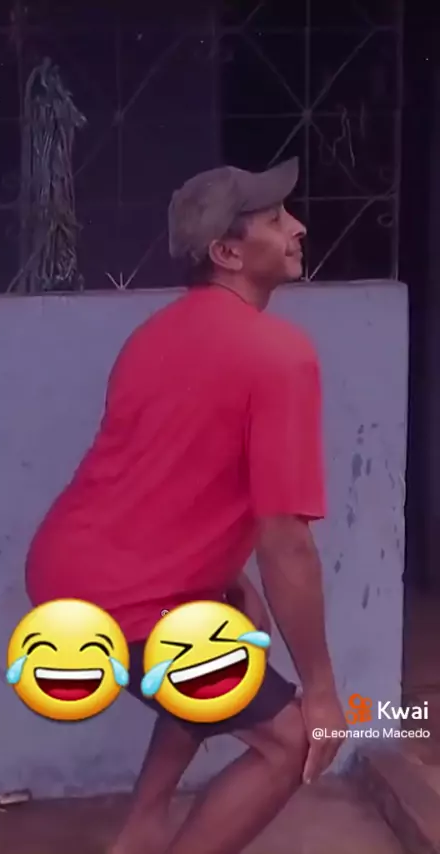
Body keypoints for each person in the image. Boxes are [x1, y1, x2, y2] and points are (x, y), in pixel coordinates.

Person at [26, 156, 347, 854]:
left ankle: (142, 826)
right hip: (122, 598)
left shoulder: (154, 335)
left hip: (70, 566)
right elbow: (286, 538)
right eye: (275, 220)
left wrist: (224, 578)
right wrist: (322, 689)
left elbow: (164, 479)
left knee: (226, 626)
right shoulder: (278, 356)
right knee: (291, 740)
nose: (297, 227)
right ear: (227, 253)